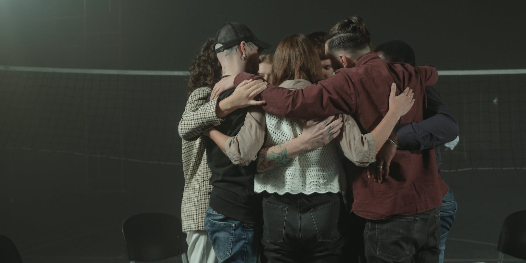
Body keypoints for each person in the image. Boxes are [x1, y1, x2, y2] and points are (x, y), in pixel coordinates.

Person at [215, 16, 450, 263]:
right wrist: (394, 118)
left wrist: (238, 85)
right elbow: (431, 74)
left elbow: (284, 109)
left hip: (289, 207)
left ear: (343, 60)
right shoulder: (402, 75)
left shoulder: (333, 88)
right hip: (414, 207)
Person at [177, 38, 268, 263]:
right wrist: (232, 102)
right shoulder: (204, 94)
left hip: (232, 207)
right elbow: (185, 126)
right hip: (204, 204)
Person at [374, 39, 460, 263]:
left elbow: (448, 126)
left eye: (381, 66)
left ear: (401, 67)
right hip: (399, 201)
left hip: (427, 200)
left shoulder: (421, 90)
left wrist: (390, 138)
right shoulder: (372, 92)